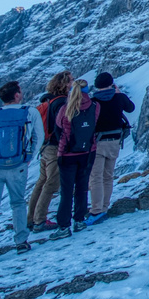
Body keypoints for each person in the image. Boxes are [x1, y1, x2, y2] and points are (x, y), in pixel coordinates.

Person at [0, 80, 44, 264]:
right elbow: (38, 137)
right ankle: (21, 242)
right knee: (18, 203)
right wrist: (28, 158)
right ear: (17, 95)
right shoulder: (30, 112)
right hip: (18, 166)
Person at [50, 80, 101, 238]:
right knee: (82, 187)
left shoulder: (66, 108)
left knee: (66, 191)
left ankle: (64, 226)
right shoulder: (94, 106)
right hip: (87, 152)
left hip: (67, 154)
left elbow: (58, 127)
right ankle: (79, 220)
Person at [85, 71, 135, 224]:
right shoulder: (119, 97)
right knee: (108, 176)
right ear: (112, 83)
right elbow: (131, 108)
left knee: (96, 178)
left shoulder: (93, 102)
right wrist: (118, 93)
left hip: (98, 143)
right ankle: (104, 208)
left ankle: (96, 210)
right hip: (115, 142)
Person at [28, 71, 72, 233]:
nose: (73, 84)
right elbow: (63, 126)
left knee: (42, 181)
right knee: (52, 183)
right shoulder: (61, 102)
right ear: (65, 84)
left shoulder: (48, 100)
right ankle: (40, 220)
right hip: (55, 147)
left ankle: (31, 218)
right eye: (71, 81)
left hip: (44, 145)